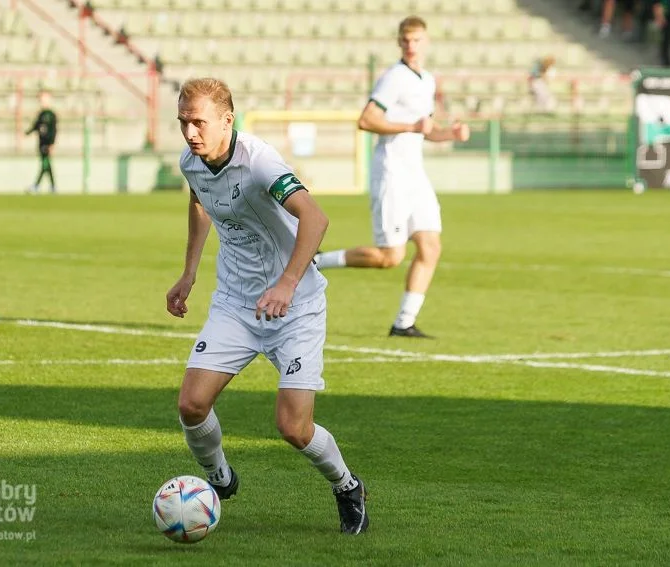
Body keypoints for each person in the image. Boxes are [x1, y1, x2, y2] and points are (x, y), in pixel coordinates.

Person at [166, 77, 369, 535]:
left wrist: (287, 283)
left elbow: (315, 218)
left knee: (294, 428)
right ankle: (219, 479)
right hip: (236, 304)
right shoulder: (191, 161)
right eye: (183, 122)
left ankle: (347, 486)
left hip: (294, 307)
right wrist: (189, 272)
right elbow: (200, 201)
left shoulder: (259, 163)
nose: (190, 133)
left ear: (226, 120)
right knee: (192, 406)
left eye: (198, 122)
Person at [314, 16, 470, 339]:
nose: (411, 46)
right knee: (390, 257)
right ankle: (314, 262)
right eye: (406, 40)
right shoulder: (394, 77)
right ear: (399, 43)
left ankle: (404, 323)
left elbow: (424, 131)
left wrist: (450, 134)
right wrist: (412, 127)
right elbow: (366, 120)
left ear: (426, 42)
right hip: (392, 174)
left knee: (430, 247)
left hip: (415, 175)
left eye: (417, 40)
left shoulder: (426, 80)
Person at [25, 90, 58, 194]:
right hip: (41, 143)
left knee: (45, 165)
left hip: (47, 144)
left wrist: (52, 144)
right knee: (47, 165)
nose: (42, 101)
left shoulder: (51, 115)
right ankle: (52, 186)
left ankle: (37, 185)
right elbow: (35, 126)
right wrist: (27, 133)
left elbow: (54, 130)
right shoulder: (41, 114)